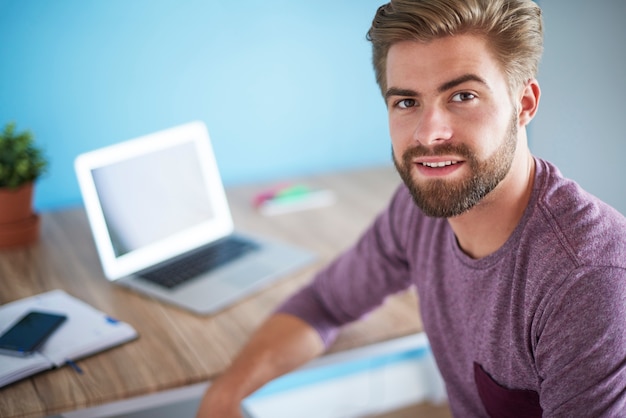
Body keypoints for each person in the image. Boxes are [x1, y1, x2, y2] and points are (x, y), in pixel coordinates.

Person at [196, 0, 626, 416]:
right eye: (406, 102)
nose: (428, 133)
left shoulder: (587, 279)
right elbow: (326, 304)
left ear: (524, 104)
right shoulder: (420, 209)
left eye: (463, 96)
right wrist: (223, 396)